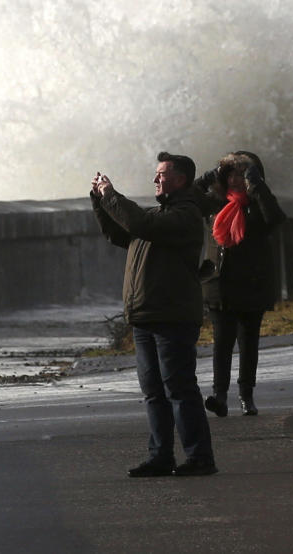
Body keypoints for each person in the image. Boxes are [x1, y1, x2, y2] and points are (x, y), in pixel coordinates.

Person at [91, 152, 217, 477]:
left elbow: (139, 224)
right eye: (157, 174)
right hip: (147, 316)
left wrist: (112, 195)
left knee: (179, 389)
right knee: (153, 392)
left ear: (181, 180)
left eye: (162, 174)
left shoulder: (185, 216)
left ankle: (200, 457)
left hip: (171, 316)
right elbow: (121, 234)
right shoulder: (160, 215)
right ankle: (161, 455)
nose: (155, 179)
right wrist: (100, 202)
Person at [195, 150, 286, 417]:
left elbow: (275, 219)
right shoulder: (214, 202)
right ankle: (219, 395)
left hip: (252, 283)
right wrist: (203, 180)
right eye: (230, 173)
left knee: (249, 342)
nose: (235, 179)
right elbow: (185, 200)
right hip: (219, 284)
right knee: (222, 342)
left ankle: (247, 394)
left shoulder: (258, 203)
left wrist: (257, 185)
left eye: (241, 173)